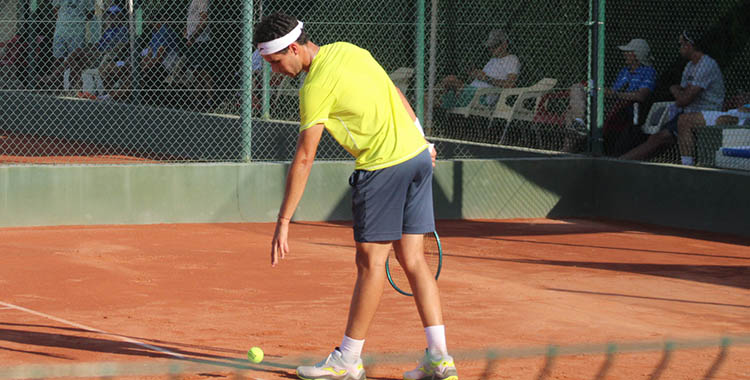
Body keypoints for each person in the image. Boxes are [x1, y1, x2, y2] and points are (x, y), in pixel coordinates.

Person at [256, 13, 457, 380]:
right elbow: (393, 91)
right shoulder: (347, 49)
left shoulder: (314, 87)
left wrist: (284, 220)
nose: (275, 71)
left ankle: (348, 360)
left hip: (383, 168)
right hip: (416, 157)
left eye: (275, 62)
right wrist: (421, 137)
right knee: (413, 259)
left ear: (295, 49)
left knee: (370, 263)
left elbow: (304, 156)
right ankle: (440, 359)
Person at [620, 30, 725, 163]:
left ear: (689, 45)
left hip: (705, 114)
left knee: (661, 137)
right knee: (655, 138)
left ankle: (621, 162)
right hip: (686, 113)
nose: (679, 48)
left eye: (681, 44)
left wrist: (675, 89)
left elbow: (683, 99)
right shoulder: (690, 66)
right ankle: (628, 163)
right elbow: (683, 93)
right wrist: (680, 92)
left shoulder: (706, 65)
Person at [563, 38, 657, 155]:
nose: (625, 54)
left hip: (624, 110)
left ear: (637, 55)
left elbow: (642, 96)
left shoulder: (648, 71)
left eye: (629, 52)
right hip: (609, 103)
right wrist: (606, 92)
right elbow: (613, 92)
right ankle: (579, 122)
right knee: (577, 88)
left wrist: (613, 94)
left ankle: (566, 152)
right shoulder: (624, 71)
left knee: (570, 114)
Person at [438, 28, 520, 109]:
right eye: (489, 47)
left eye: (494, 46)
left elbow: (510, 84)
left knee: (450, 80)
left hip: (482, 97)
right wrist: (474, 74)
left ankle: (435, 97)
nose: (491, 49)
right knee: (441, 95)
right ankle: (436, 103)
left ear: (504, 45)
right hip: (470, 92)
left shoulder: (512, 59)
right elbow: (479, 79)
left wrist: (486, 78)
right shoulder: (492, 60)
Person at [48, 0, 95, 88]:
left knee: (76, 60)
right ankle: (57, 85)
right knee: (58, 58)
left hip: (77, 30)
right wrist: (63, 18)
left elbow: (91, 12)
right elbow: (55, 8)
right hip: (61, 29)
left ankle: (74, 85)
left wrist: (79, 19)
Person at [184, 0, 213, 111]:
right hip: (193, 40)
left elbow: (204, 20)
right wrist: (187, 32)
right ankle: (198, 99)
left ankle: (210, 100)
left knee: (203, 71)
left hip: (200, 41)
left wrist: (193, 36)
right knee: (196, 71)